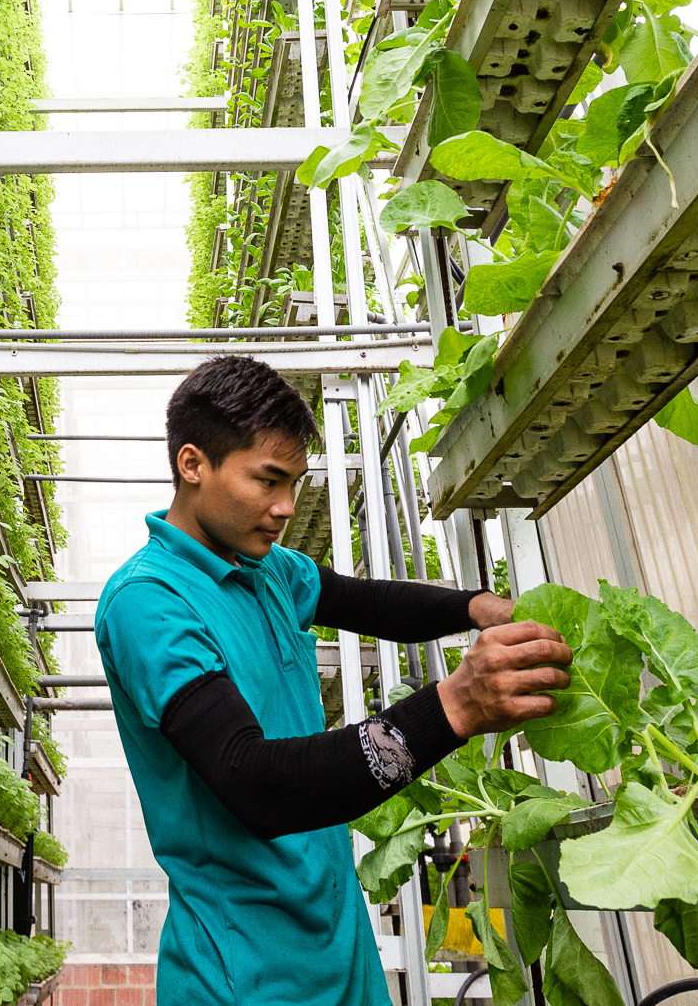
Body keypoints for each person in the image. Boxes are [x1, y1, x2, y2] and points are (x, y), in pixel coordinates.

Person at [94, 355, 575, 1006]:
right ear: (192, 463)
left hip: (340, 948)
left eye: (294, 481)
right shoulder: (148, 602)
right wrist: (455, 705)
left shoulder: (273, 571)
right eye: (267, 480)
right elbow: (253, 780)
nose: (285, 506)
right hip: (246, 972)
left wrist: (475, 606)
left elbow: (368, 601)